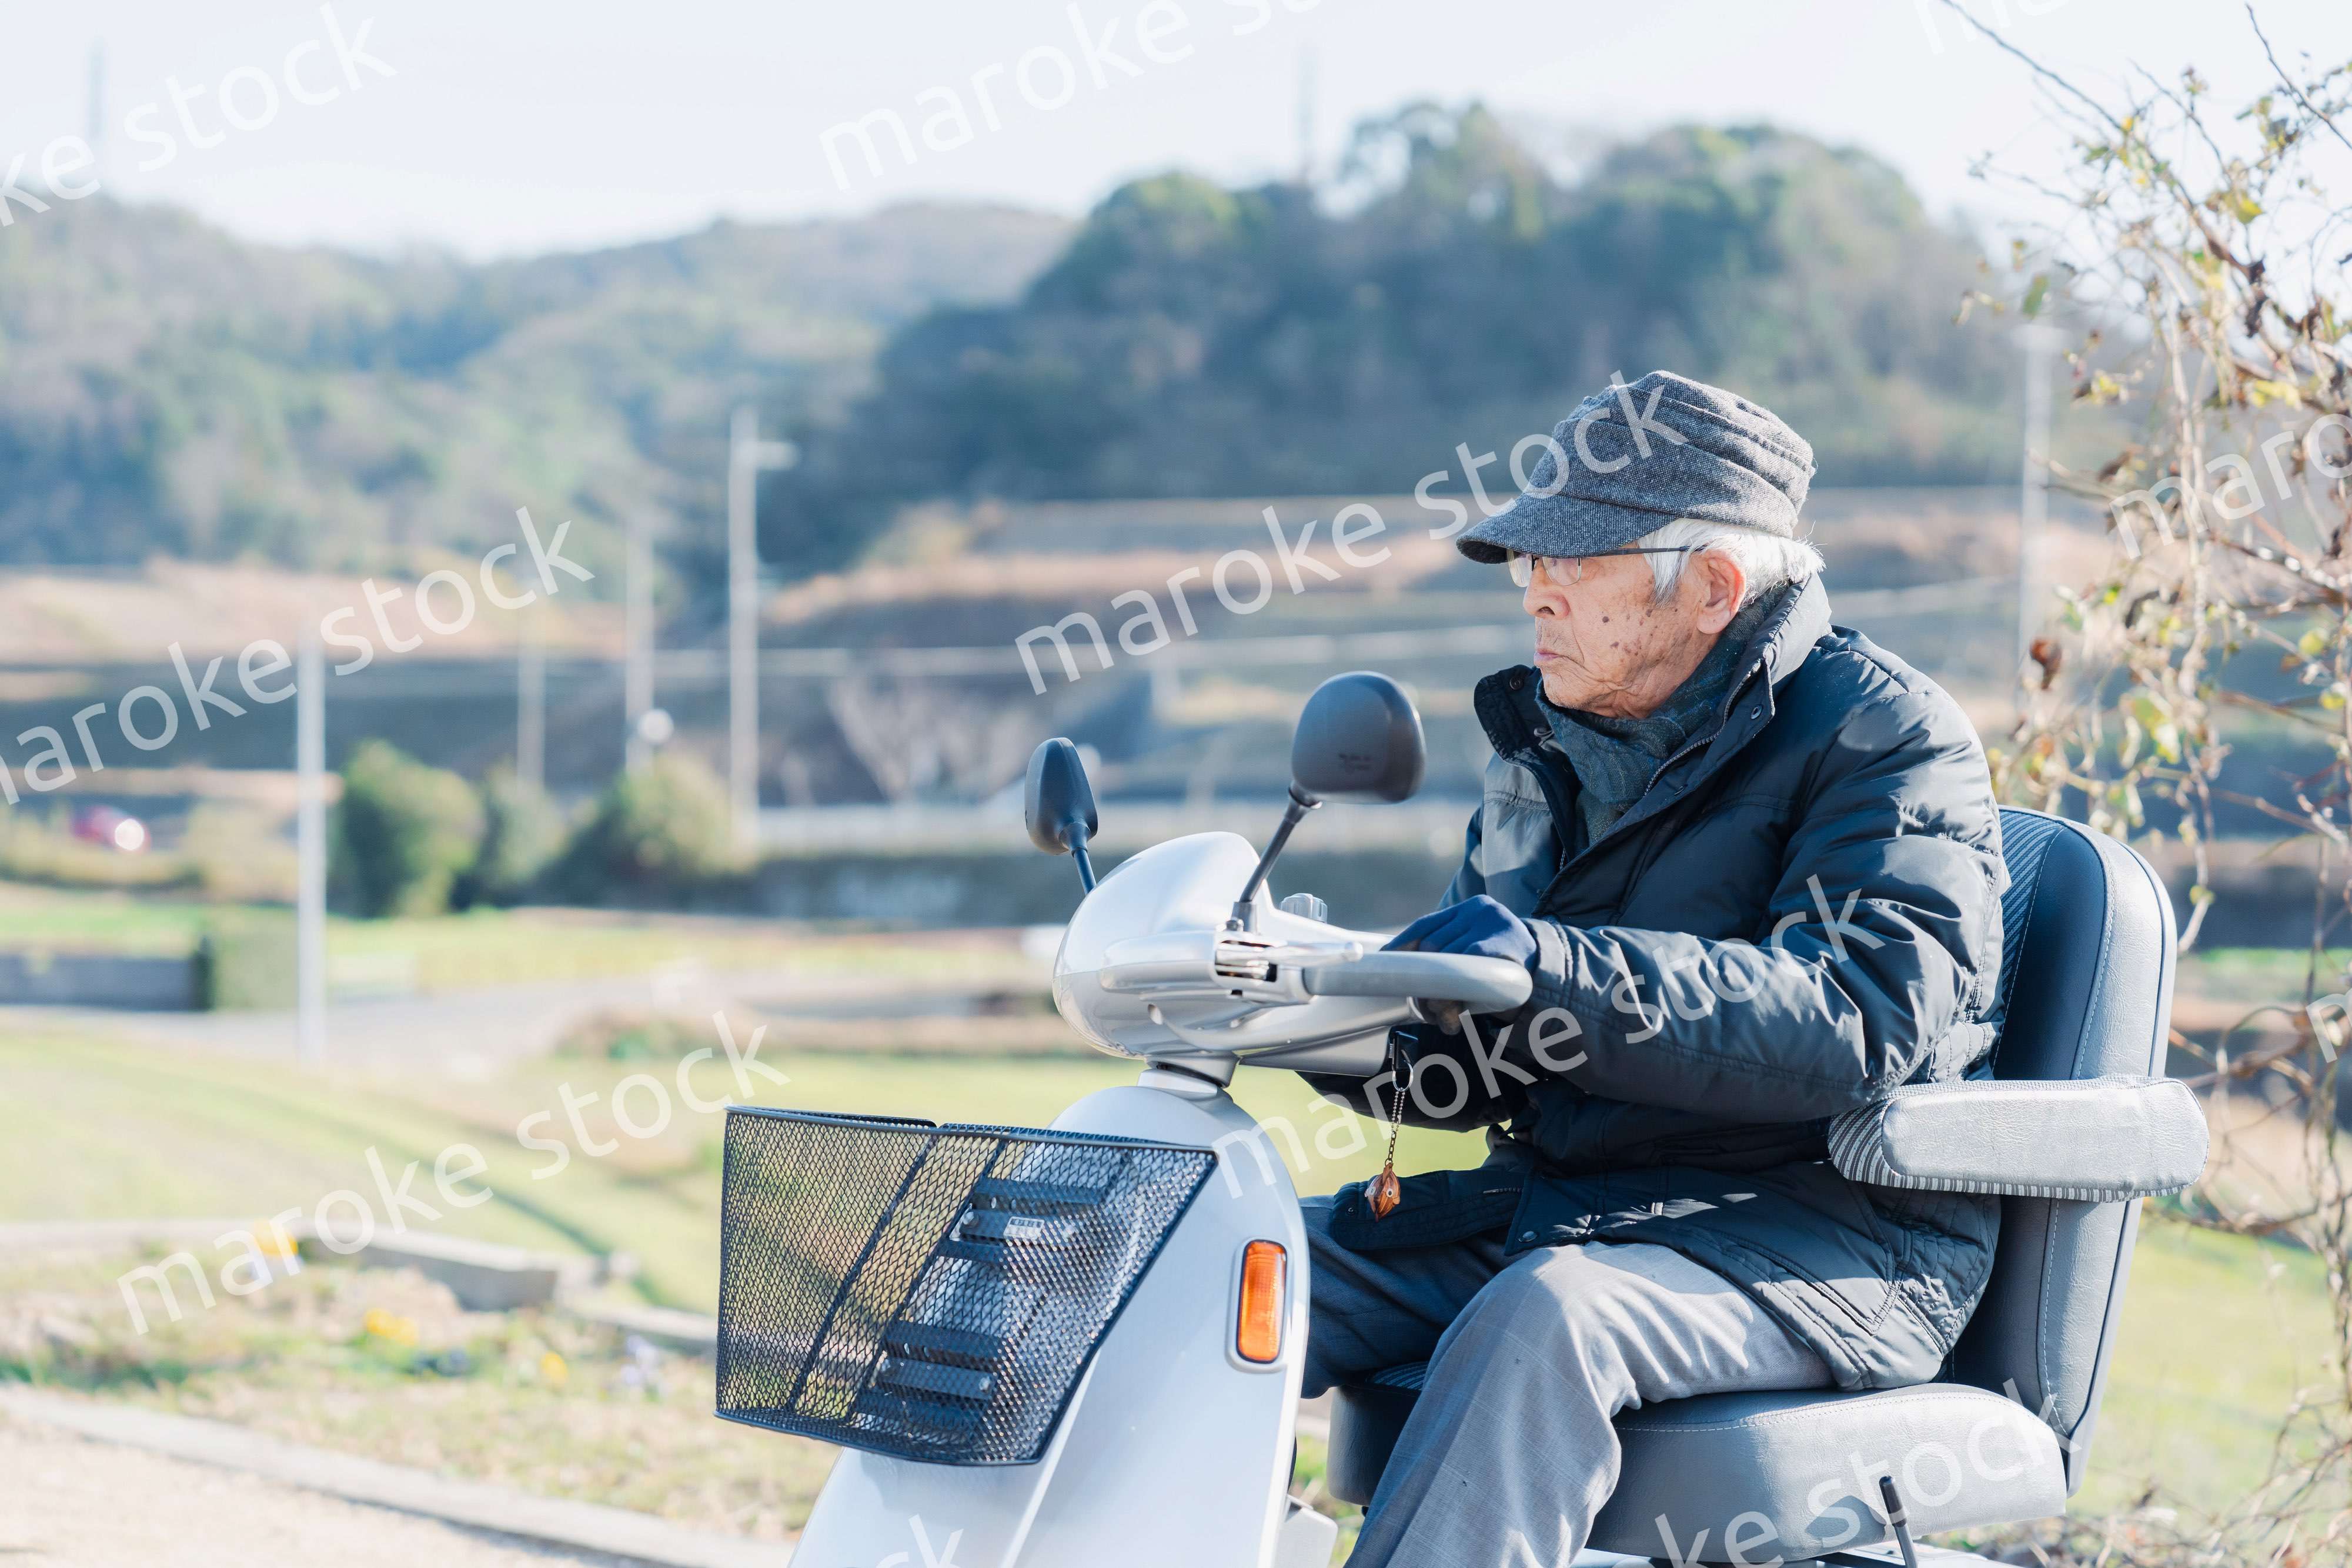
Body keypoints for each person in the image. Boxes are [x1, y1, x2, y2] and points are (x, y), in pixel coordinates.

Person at [1301, 372, 2006, 1567]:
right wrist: (1327, 1022)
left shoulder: (1887, 736)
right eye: (1531, 558)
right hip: (1568, 1210)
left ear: (1714, 587)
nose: (1537, 588)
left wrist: (1554, 969)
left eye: (1576, 559)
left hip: (1813, 1237)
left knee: (1547, 1318)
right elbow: (1483, 1070)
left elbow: (1853, 1016)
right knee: (1227, 1249)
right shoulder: (1553, 750)